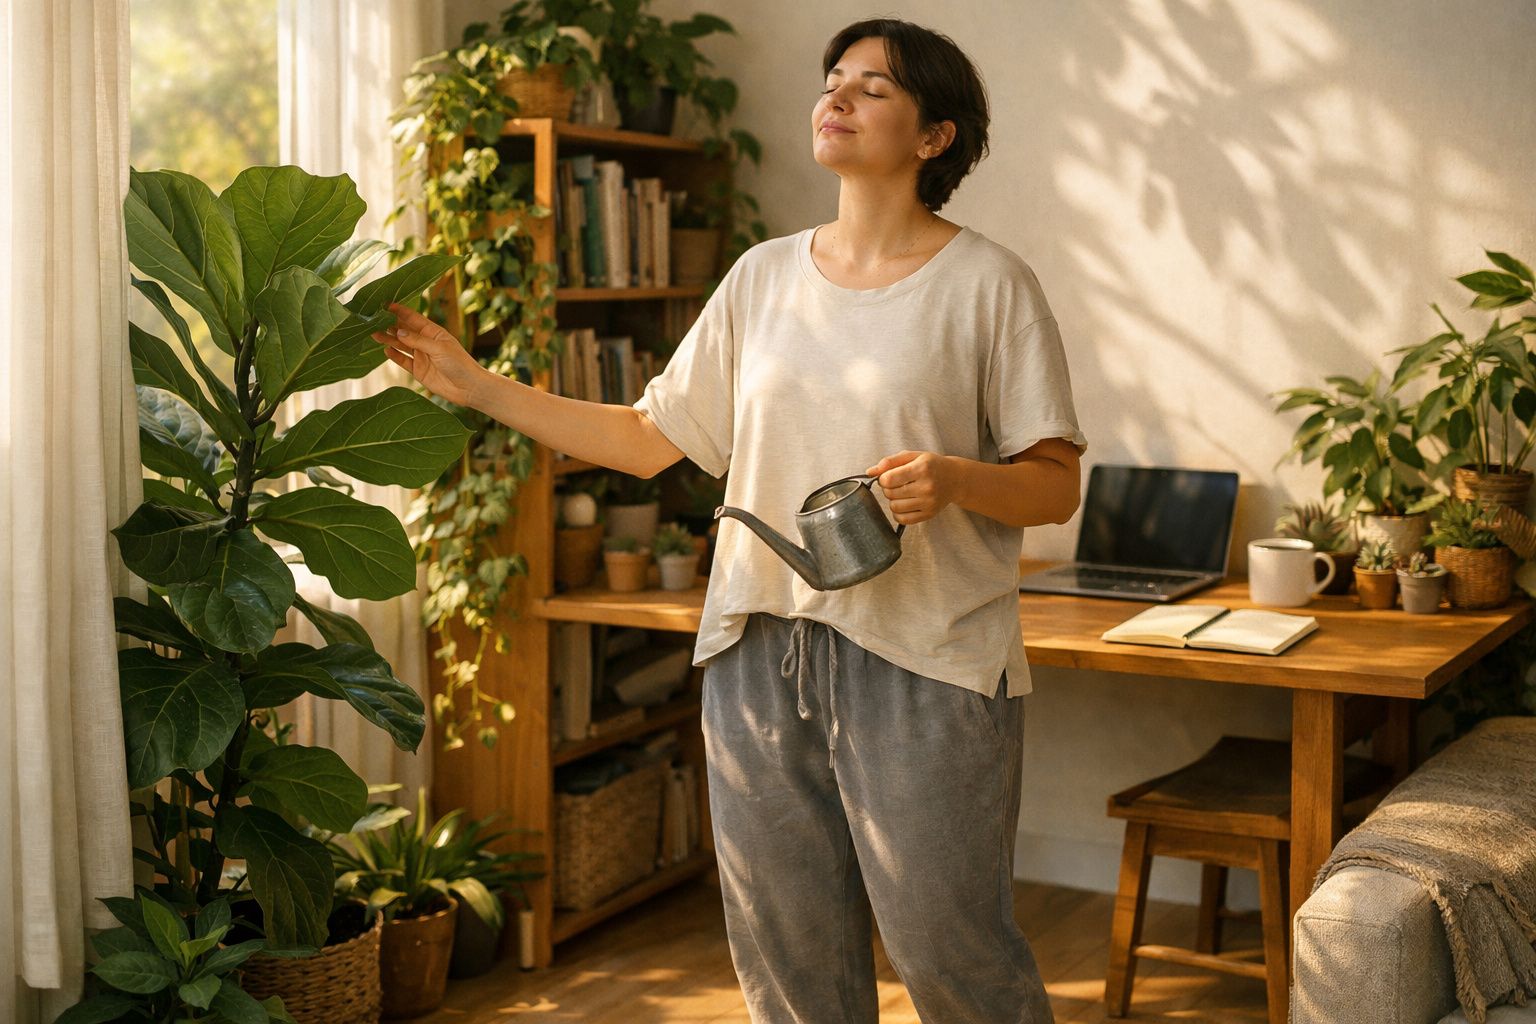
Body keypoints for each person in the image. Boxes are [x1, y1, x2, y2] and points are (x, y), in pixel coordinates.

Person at [375, 17, 1086, 1022]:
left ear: (936, 136)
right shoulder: (762, 276)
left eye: (873, 87)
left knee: (952, 955)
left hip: (927, 660)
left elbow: (1055, 485)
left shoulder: (989, 285)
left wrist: (956, 480)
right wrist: (474, 383)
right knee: (788, 967)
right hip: (759, 650)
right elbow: (645, 438)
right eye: (833, 79)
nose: (836, 97)